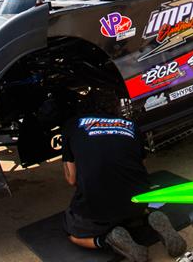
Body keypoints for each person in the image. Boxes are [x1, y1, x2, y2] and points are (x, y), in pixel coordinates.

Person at [60, 98, 186, 262]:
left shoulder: (72, 125)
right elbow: (140, 165)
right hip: (137, 200)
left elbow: (71, 179)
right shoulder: (129, 124)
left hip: (98, 206)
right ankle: (149, 217)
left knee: (73, 234)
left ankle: (107, 240)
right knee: (131, 202)